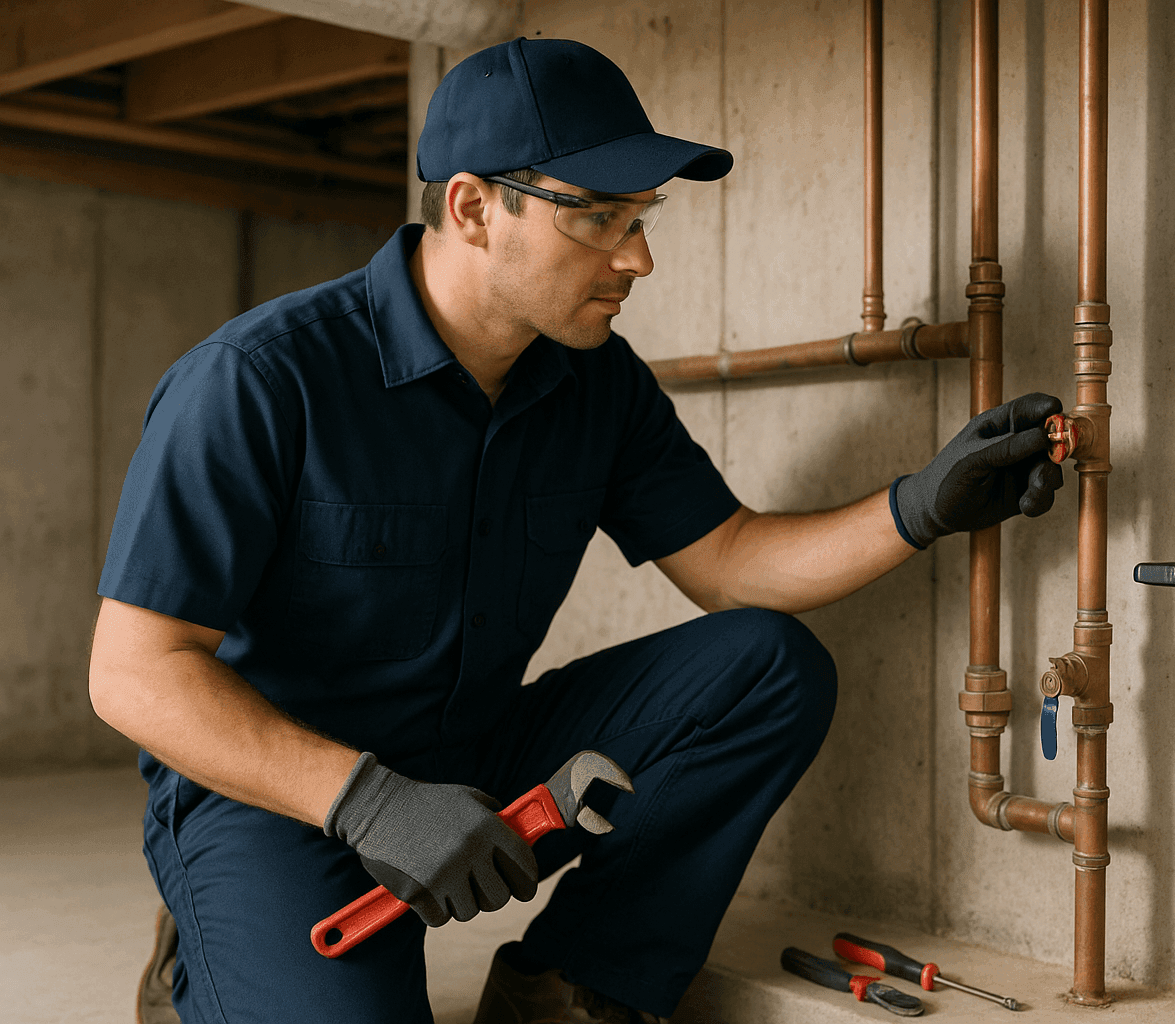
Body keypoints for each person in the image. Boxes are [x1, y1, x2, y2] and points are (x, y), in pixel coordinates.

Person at [87, 37, 1064, 1024]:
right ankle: (205, 953)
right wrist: (368, 800)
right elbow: (133, 670)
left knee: (767, 666)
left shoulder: (594, 384)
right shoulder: (261, 380)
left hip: (467, 755)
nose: (637, 256)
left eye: (640, 219)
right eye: (598, 218)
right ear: (472, 207)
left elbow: (730, 564)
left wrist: (921, 506)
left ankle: (571, 981)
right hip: (279, 800)